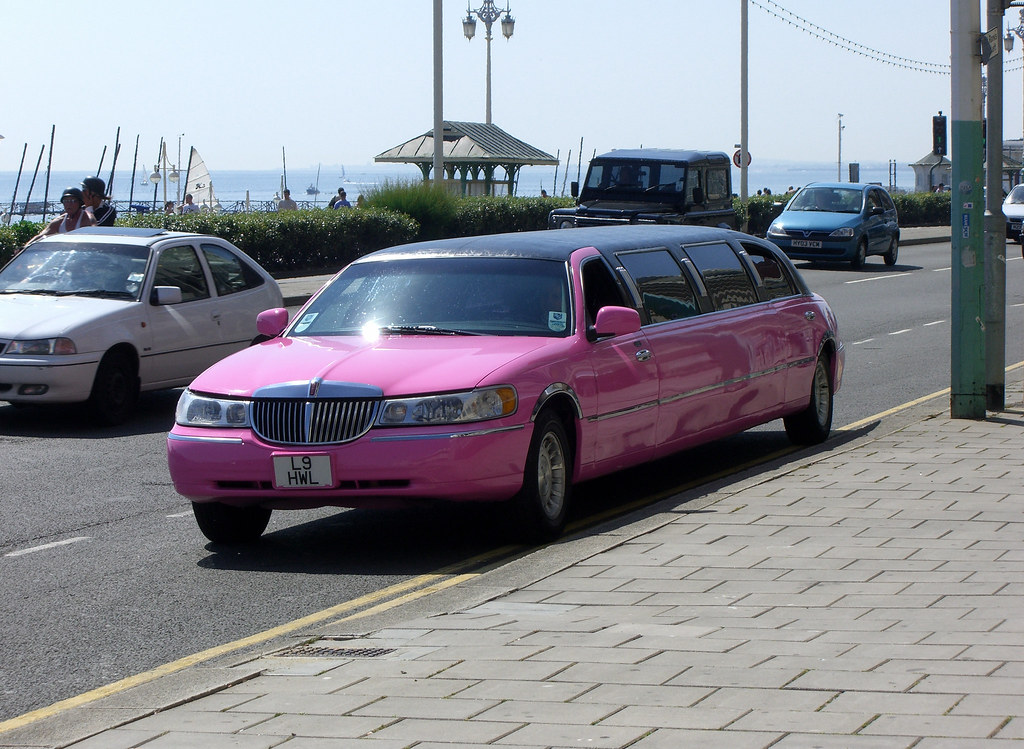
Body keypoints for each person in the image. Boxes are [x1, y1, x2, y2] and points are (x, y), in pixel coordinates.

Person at [25, 187, 96, 245]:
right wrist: (25, 247)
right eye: (66, 201)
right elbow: (42, 236)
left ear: (80, 203)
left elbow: (94, 231)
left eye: (73, 201)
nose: (69, 204)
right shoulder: (60, 221)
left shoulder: (87, 217)